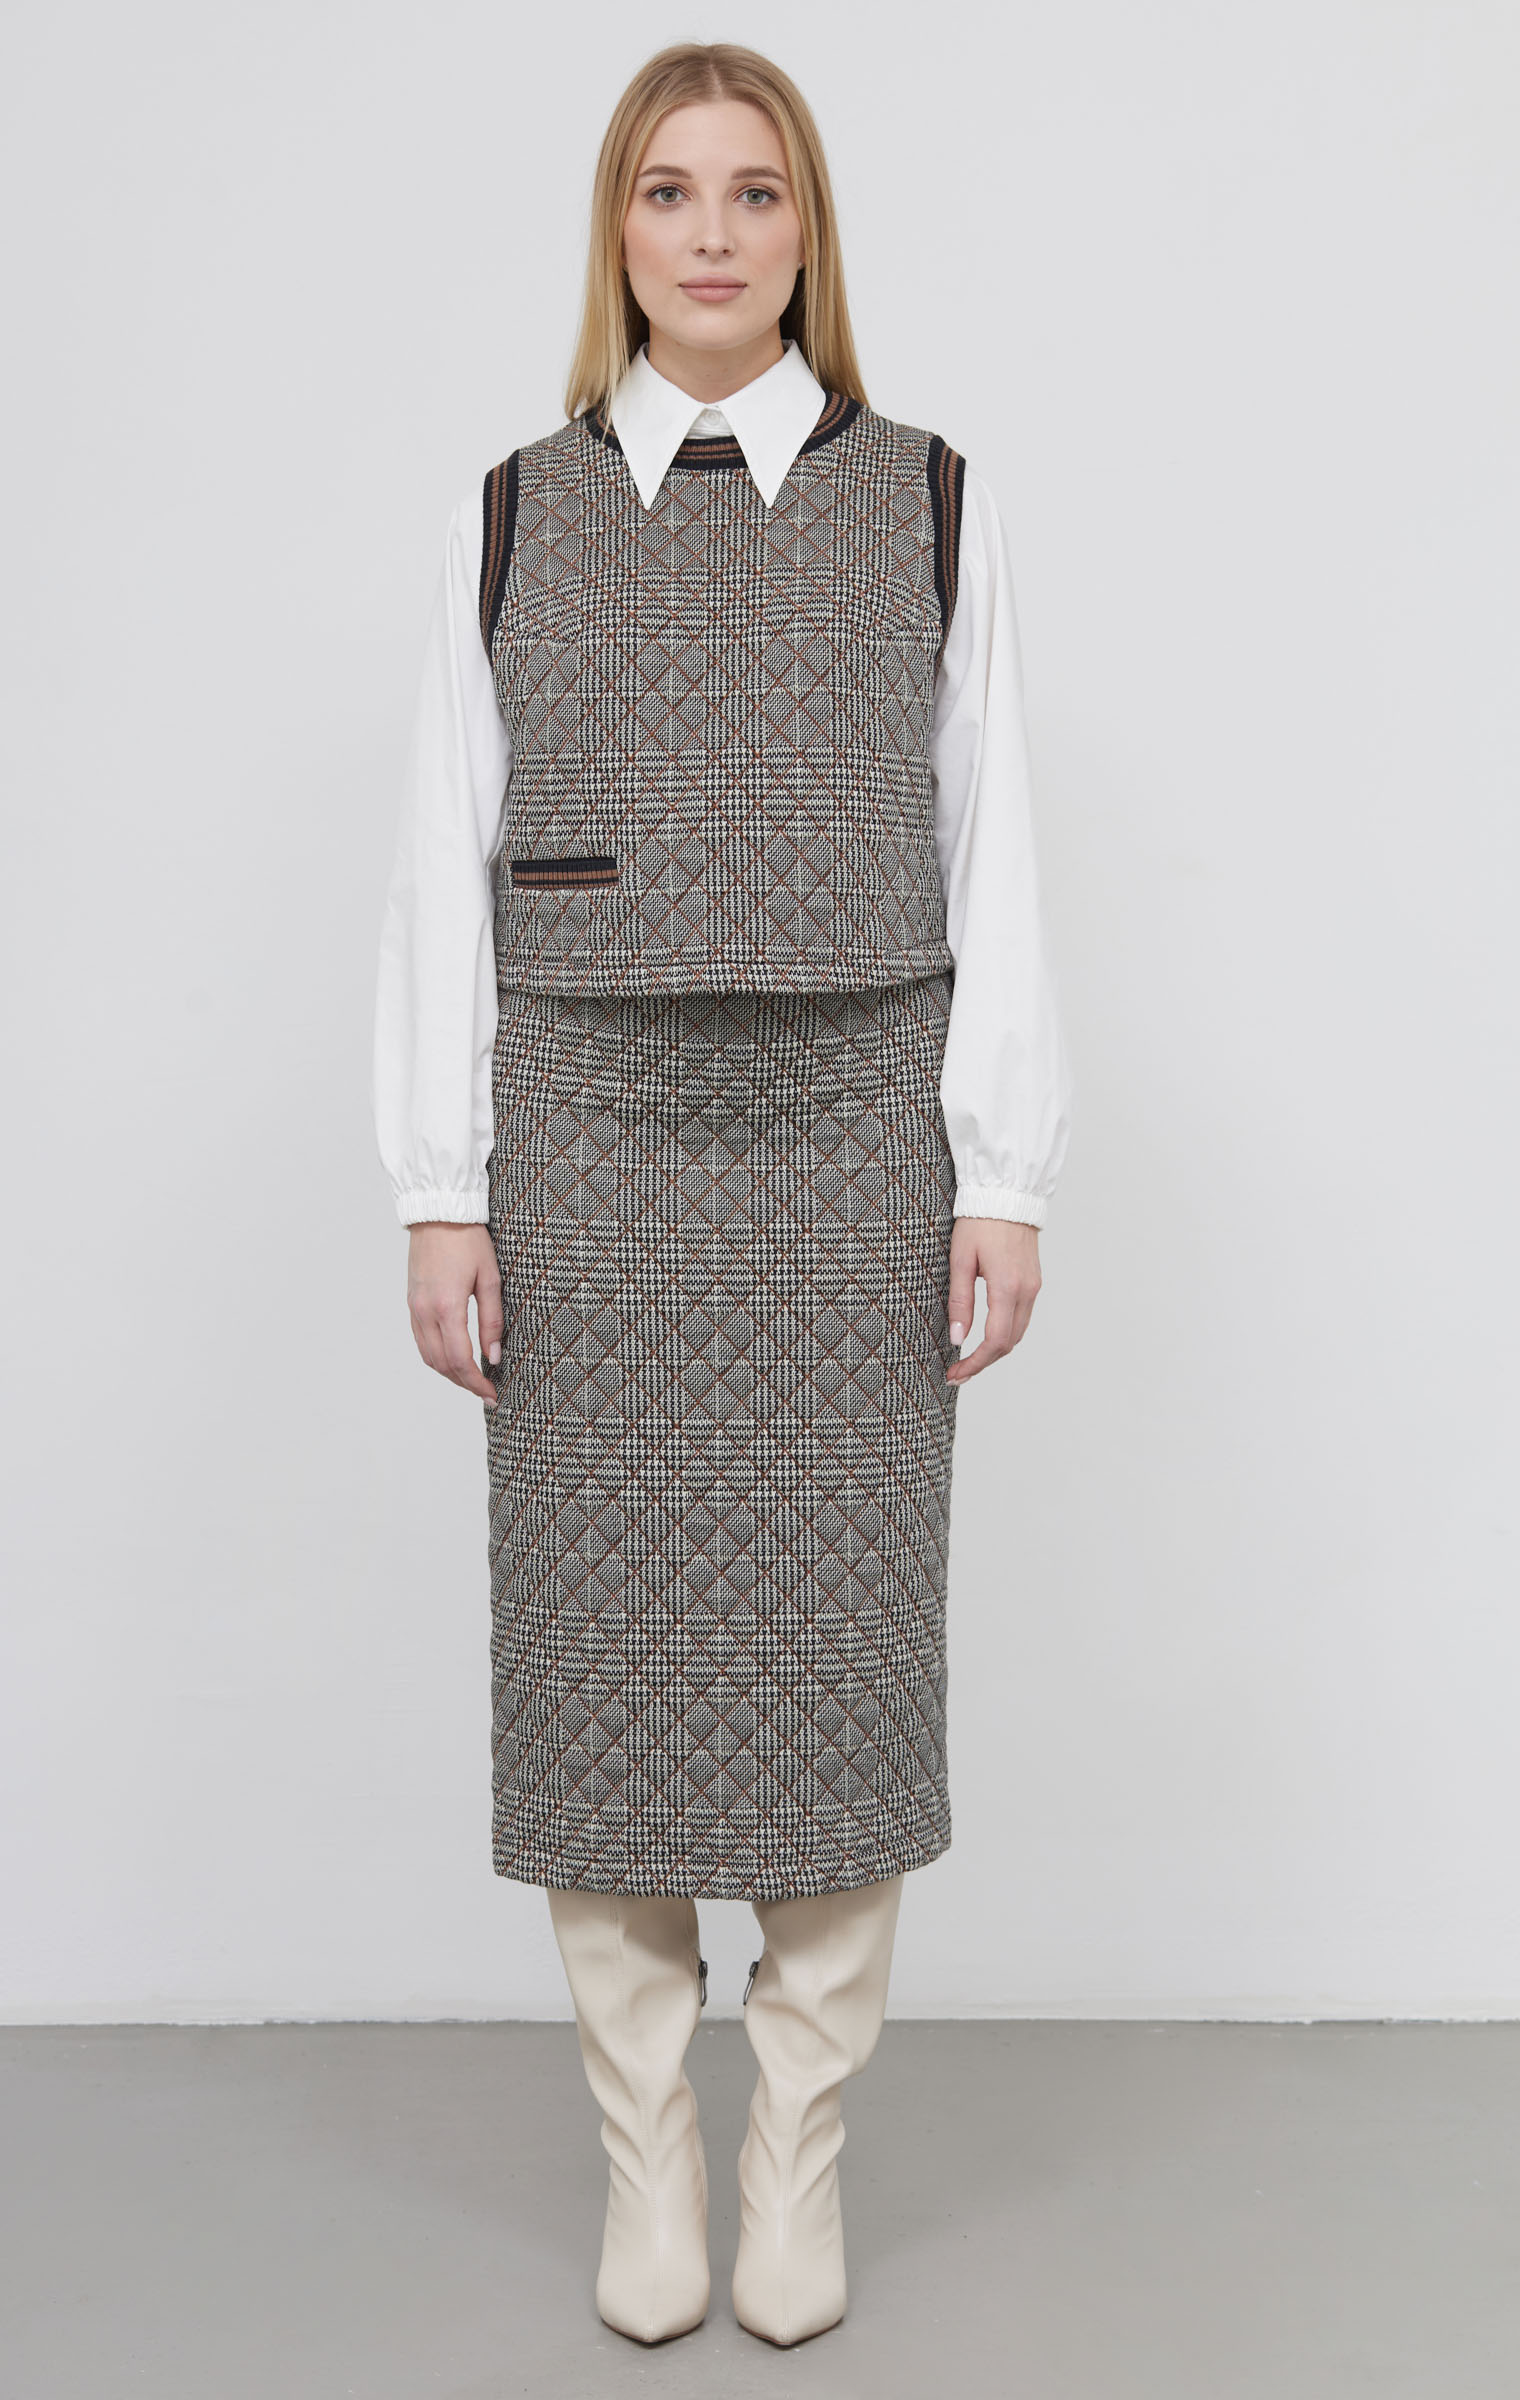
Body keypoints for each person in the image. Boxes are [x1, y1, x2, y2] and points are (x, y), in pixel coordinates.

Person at [373, 39, 1073, 2351]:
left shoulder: (930, 502)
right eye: (665, 191)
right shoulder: (511, 512)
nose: (707, 232)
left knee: (840, 1658)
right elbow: (439, 862)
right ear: (616, 228)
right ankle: (643, 2155)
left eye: (751, 193)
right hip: (582, 1132)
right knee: (597, 1660)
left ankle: (794, 2152)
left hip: (854, 1127)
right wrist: (439, 1191)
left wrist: (999, 1169)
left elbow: (991, 841)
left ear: (804, 232)